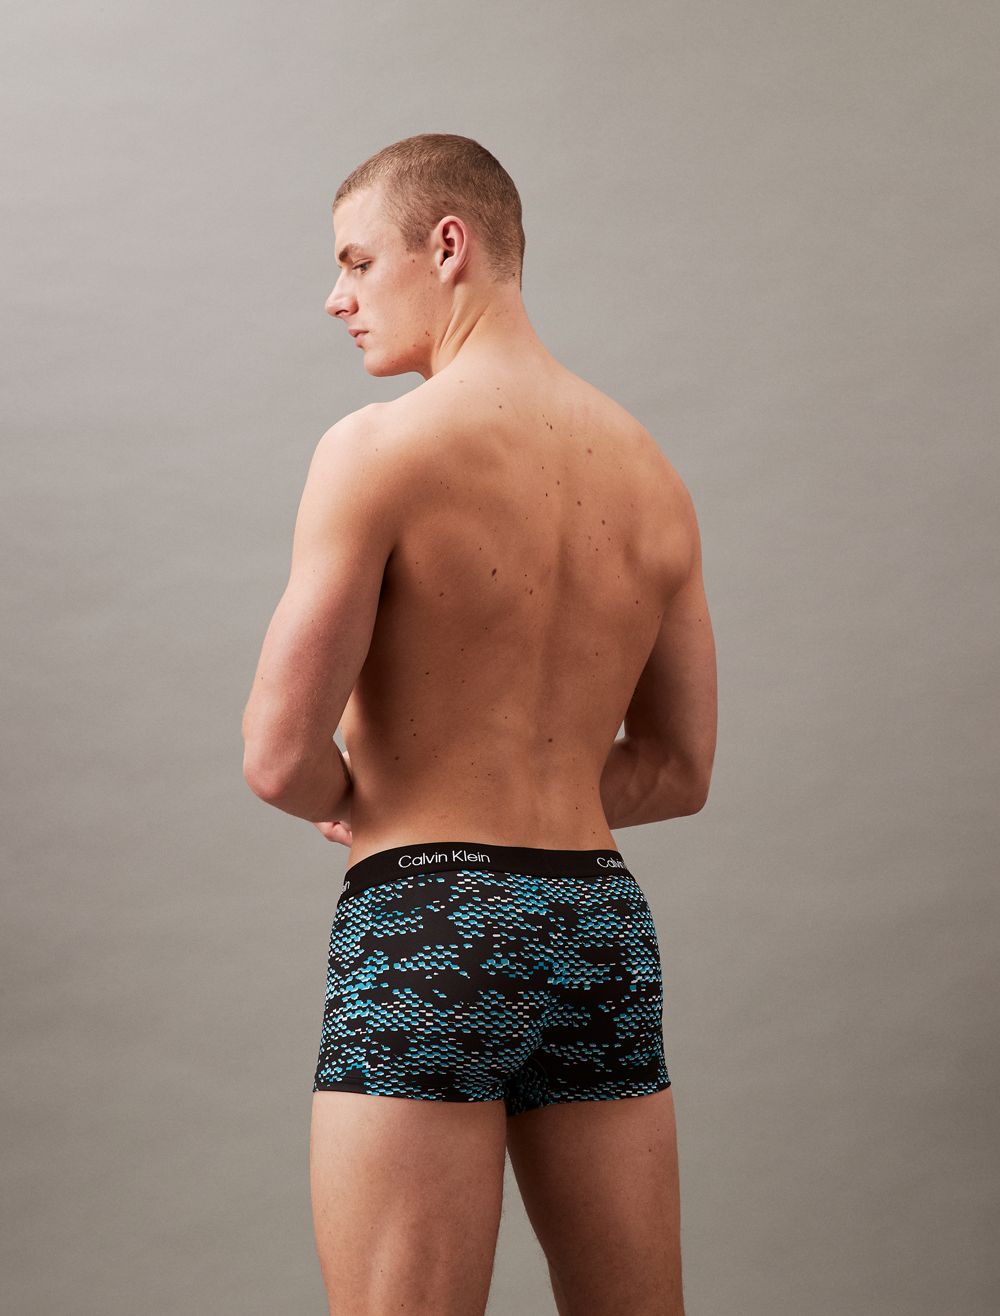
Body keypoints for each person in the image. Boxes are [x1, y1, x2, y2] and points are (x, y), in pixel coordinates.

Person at [241, 132, 717, 1316]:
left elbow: (278, 756)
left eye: (357, 260)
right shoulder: (651, 474)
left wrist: (368, 797)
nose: (336, 296)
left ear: (447, 245)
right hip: (597, 926)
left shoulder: (377, 450)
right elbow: (676, 767)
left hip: (429, 922)